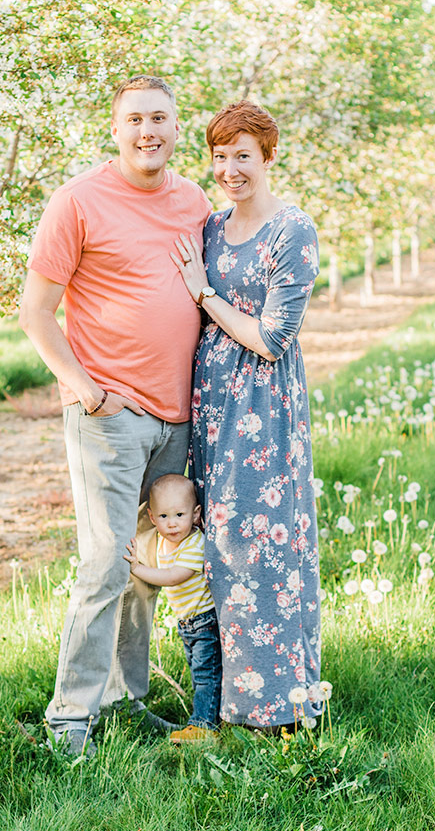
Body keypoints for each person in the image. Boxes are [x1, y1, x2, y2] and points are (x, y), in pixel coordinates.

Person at [19, 76, 212, 758]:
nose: (147, 131)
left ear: (176, 126)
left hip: (175, 420)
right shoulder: (77, 201)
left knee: (145, 561)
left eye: (160, 117)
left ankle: (125, 698)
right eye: (135, 119)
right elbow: (35, 311)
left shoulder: (195, 201)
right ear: (115, 128)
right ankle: (70, 719)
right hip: (109, 414)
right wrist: (82, 385)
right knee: (104, 561)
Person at [169, 100, 324, 733]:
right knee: (222, 544)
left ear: (268, 157)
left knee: (267, 542)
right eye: (220, 157)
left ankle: (279, 704)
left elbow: (272, 337)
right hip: (213, 407)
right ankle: (226, 700)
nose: (231, 169)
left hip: (265, 407)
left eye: (243, 156)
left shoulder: (293, 230)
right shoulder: (210, 227)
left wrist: (203, 290)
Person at [125, 473, 222, 742]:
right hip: (187, 622)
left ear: (195, 514)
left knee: (206, 675)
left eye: (180, 514)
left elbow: (172, 577)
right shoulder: (162, 542)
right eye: (164, 517)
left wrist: (137, 569)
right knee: (199, 673)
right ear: (153, 519)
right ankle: (208, 719)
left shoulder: (194, 543)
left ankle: (203, 726)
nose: (172, 524)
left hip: (204, 620)